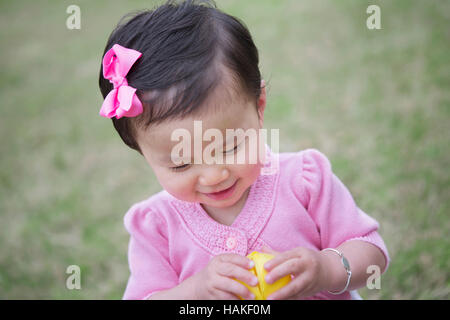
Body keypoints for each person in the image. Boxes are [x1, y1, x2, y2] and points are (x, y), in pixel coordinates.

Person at [98, 0, 389, 300]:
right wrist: (195, 291)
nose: (213, 175)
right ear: (142, 152)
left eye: (230, 147)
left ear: (259, 106)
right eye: (181, 164)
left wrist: (327, 268)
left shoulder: (305, 180)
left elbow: (372, 254)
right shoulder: (156, 226)